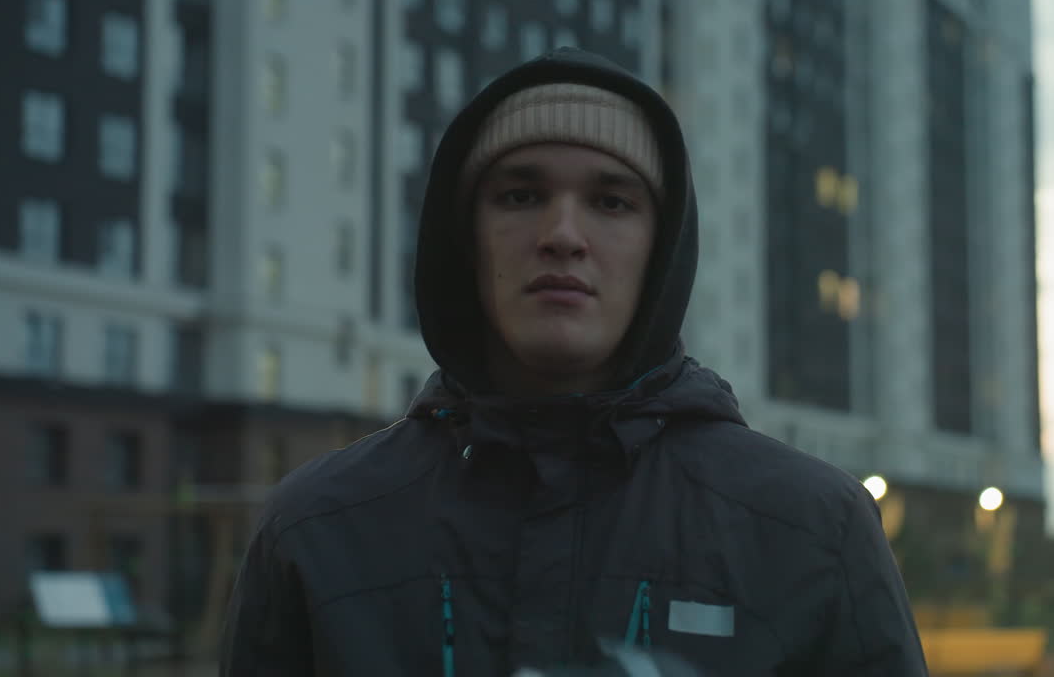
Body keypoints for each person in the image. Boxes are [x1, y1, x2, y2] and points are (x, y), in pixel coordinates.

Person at [220, 48, 928, 676]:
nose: (562, 234)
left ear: (662, 249)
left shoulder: (812, 529)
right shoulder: (318, 530)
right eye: (521, 195)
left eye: (611, 201)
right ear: (466, 238)